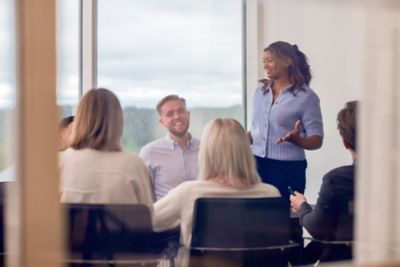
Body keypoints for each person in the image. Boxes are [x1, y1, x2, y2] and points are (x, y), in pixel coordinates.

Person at [153, 118, 280, 247]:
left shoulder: (188, 193)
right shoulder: (270, 193)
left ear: (206, 153)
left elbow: (147, 221)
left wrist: (181, 216)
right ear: (245, 151)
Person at [249, 41, 324, 199]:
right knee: (256, 220)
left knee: (286, 220)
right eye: (264, 61)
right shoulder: (260, 93)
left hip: (288, 170)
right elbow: (257, 131)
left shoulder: (306, 97)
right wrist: (236, 138)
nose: (265, 65)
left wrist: (298, 141)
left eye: (270, 60)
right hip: (256, 165)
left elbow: (317, 140)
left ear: (287, 61)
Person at [59, 88, 153, 211]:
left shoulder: (60, 162)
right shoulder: (134, 164)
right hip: (121, 230)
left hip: (72, 230)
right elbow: (147, 217)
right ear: (118, 120)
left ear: (80, 119)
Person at [290, 101, 358, 262]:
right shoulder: (393, 178)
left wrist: (302, 206)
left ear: (345, 142)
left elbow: (317, 228)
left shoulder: (336, 180)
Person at [139, 95, 199, 200]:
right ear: (162, 122)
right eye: (170, 114)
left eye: (181, 111)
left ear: (188, 114)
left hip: (204, 215)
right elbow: (143, 195)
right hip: (166, 215)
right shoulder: (149, 152)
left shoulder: (205, 148)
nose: (177, 116)